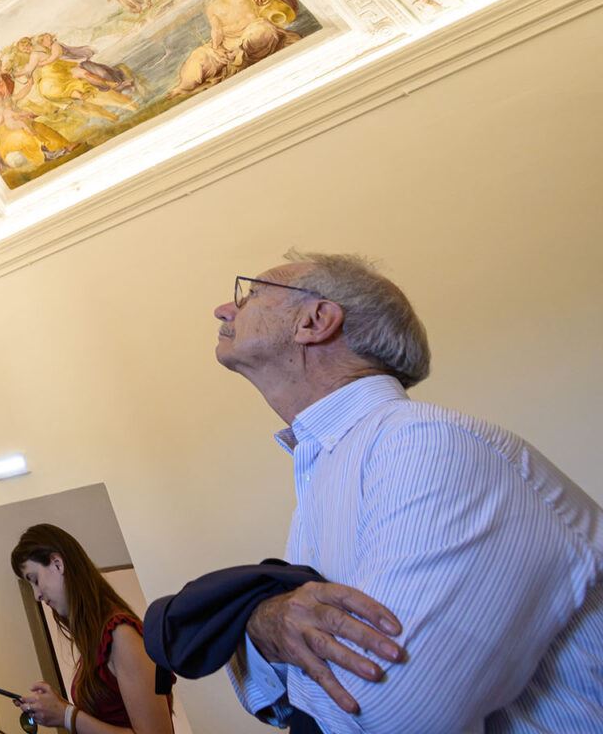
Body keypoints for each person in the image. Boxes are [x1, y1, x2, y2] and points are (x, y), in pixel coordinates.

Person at [214, 250, 603, 731]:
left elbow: (386, 710)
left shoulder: (425, 444)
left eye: (250, 293)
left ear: (315, 321)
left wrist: (257, 627)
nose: (224, 309)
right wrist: (267, 624)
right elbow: (288, 696)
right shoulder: (331, 466)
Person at [7, 525, 173, 734]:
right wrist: (58, 707)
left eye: (35, 580)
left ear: (58, 564)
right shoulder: (96, 641)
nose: (36, 595)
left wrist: (66, 715)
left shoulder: (122, 635)